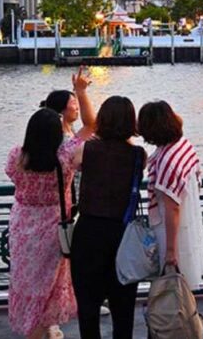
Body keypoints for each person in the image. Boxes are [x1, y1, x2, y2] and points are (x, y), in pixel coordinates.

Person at [6, 102, 95, 339]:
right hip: (54, 226)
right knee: (49, 285)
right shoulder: (66, 156)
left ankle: (35, 329)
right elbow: (91, 129)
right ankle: (40, 331)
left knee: (28, 283)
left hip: (22, 224)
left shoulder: (17, 155)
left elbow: (12, 175)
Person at [68, 96, 146, 339]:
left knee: (88, 305)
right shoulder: (138, 155)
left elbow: (74, 162)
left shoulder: (87, 149)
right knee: (123, 305)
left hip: (89, 230)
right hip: (123, 233)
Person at [138, 101, 203, 287]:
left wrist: (170, 250)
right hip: (185, 224)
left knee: (171, 285)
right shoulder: (182, 146)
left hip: (172, 232)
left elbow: (172, 207)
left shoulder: (168, 161)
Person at [43, 67, 95, 138]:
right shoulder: (65, 138)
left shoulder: (63, 130)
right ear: (62, 109)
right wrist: (81, 91)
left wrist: (77, 89)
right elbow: (91, 125)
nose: (77, 108)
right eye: (74, 103)